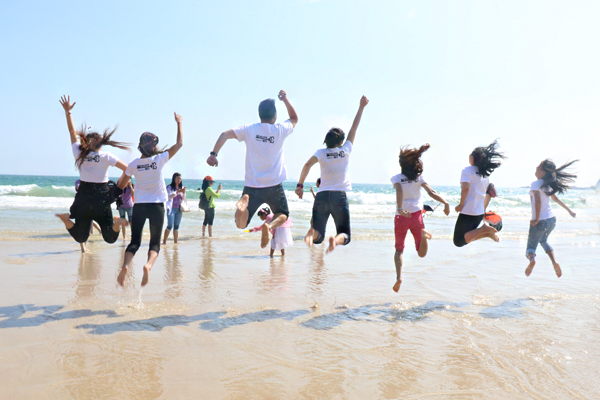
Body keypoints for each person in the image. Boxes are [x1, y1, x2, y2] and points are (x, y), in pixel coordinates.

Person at [206, 90, 298, 248]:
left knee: (241, 225)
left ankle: (242, 208)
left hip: (252, 186)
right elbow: (294, 118)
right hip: (274, 185)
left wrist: (213, 154)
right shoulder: (280, 129)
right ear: (275, 115)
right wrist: (285, 99)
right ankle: (269, 226)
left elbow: (224, 134)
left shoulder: (249, 129)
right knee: (283, 214)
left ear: (259, 115)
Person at [116, 112, 183, 287]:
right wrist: (179, 123)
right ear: (153, 146)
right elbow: (179, 144)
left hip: (139, 206)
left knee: (135, 241)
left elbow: (122, 184)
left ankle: (125, 266)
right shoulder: (159, 160)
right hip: (157, 207)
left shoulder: (133, 164)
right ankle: (148, 266)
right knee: (154, 244)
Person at [295, 95, 369, 253]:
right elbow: (354, 128)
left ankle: (312, 234)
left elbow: (307, 164)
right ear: (341, 141)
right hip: (339, 197)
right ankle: (336, 240)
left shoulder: (321, 152)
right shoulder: (345, 150)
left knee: (319, 236)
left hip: (322, 196)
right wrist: (361, 107)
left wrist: (300, 185)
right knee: (345, 235)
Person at [55, 96, 129, 245]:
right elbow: (128, 169)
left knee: (81, 237)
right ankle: (117, 222)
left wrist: (68, 112)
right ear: (100, 144)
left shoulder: (79, 153)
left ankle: (66, 220)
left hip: (84, 197)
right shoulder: (106, 156)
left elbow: (72, 132)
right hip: (102, 197)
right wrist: (120, 184)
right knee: (110, 238)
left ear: (84, 142)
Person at [391, 144, 451, 292]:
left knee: (399, 249)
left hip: (401, 217)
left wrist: (400, 208)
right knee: (421, 253)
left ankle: (399, 277)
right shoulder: (419, 178)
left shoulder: (397, 178)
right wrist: (445, 203)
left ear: (401, 164)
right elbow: (431, 192)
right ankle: (424, 237)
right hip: (416, 217)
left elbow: (399, 191)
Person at [525, 159, 578, 278]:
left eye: (539, 166)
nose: (536, 167)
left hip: (541, 221)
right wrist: (569, 211)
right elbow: (556, 199)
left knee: (530, 248)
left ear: (543, 172)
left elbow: (537, 200)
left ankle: (532, 260)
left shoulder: (535, 184)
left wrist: (536, 219)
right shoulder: (547, 185)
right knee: (543, 240)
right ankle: (554, 262)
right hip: (552, 220)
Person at [453, 140, 506, 247]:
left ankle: (484, 229)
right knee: (464, 238)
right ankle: (486, 233)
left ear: (472, 158)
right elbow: (485, 193)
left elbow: (465, 188)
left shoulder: (467, 171)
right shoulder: (485, 175)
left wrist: (461, 205)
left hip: (468, 211)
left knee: (458, 241)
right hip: (478, 212)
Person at [162, 173, 187, 244]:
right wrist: (178, 191)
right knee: (170, 225)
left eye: (180, 178)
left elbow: (183, 199)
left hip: (179, 209)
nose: (179, 180)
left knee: (176, 226)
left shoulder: (181, 187)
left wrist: (183, 193)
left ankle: (176, 242)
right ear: (174, 179)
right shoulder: (169, 187)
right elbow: (169, 196)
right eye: (177, 178)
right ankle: (164, 241)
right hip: (171, 208)